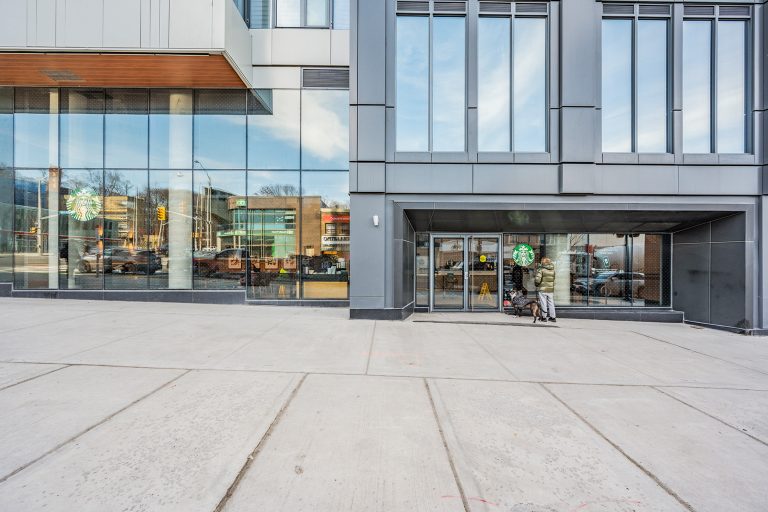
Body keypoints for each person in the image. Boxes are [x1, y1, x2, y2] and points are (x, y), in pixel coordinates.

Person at [535, 256, 557, 322]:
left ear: (543, 262)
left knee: (543, 303)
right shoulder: (553, 270)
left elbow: (537, 280)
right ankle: (553, 317)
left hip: (543, 289)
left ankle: (544, 317)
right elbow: (554, 280)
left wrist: (536, 285)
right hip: (550, 289)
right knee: (551, 303)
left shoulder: (541, 270)